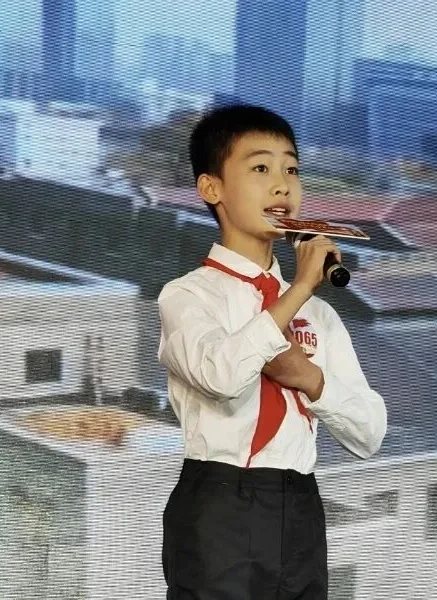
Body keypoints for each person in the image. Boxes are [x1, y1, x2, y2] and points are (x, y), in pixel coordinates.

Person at [157, 104, 388, 600]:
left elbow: (370, 433)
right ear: (211, 188)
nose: (282, 186)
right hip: (219, 498)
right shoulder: (189, 296)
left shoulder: (319, 316)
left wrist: (311, 379)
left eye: (292, 170)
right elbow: (222, 377)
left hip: (300, 503)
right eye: (261, 168)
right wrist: (300, 288)